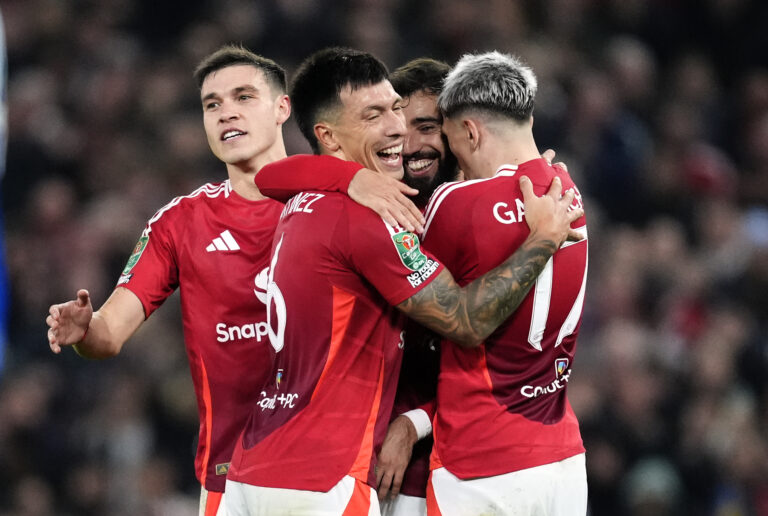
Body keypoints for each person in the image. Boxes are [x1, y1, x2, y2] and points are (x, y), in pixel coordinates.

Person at [45, 44, 422, 516]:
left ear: (283, 108)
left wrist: (412, 424)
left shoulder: (345, 199)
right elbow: (109, 334)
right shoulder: (179, 223)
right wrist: (85, 331)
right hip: (229, 478)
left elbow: (422, 322)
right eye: (212, 105)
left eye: (244, 97)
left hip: (331, 474)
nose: (226, 114)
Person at [223, 47, 583, 516]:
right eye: (390, 117)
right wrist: (351, 179)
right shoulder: (373, 206)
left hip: (441, 459)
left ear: (462, 133)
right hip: (366, 465)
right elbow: (272, 175)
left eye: (426, 126)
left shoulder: (456, 208)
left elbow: (481, 345)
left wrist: (414, 423)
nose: (407, 139)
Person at [421, 51, 589, 516]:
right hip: (561, 460)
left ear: (470, 132)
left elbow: (413, 308)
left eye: (450, 139)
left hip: (481, 464)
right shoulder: (569, 192)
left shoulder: (457, 201)